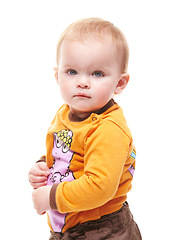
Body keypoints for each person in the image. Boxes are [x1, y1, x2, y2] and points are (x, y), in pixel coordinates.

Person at [28, 18, 142, 240]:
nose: (82, 82)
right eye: (71, 71)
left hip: (101, 230)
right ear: (57, 75)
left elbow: (99, 186)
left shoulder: (109, 129)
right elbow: (67, 153)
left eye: (97, 73)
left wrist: (51, 197)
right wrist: (43, 166)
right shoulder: (65, 113)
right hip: (69, 225)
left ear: (120, 83)